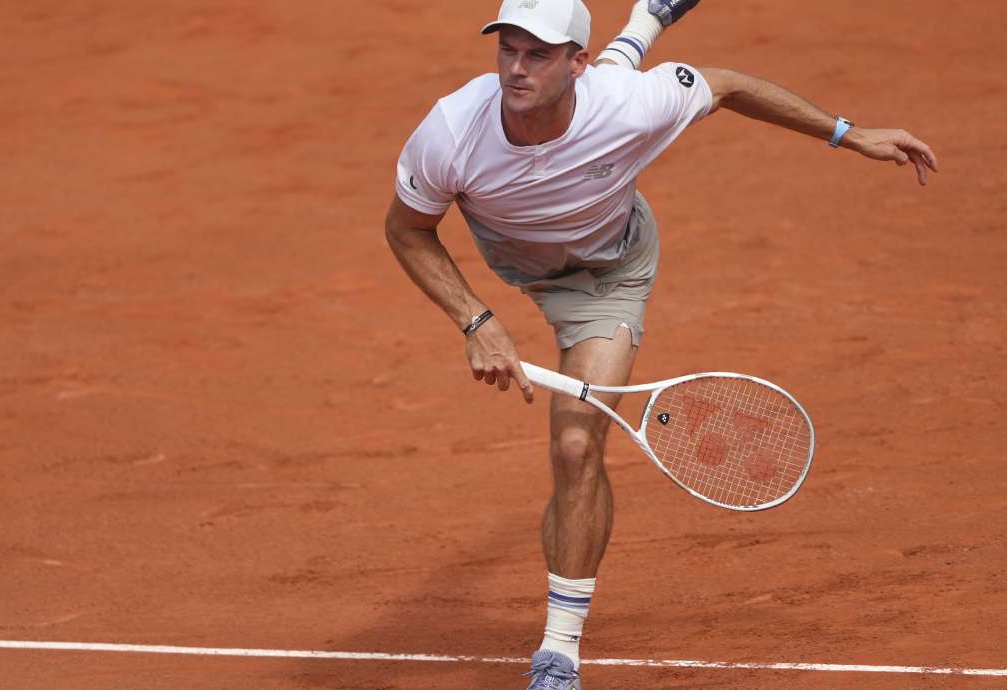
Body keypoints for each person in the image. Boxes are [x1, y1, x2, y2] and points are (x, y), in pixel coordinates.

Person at [384, 0, 938, 687]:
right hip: (521, 262)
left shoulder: (624, 105)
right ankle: (647, 18)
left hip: (608, 272)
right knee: (611, 90)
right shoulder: (452, 129)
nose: (516, 69)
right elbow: (407, 229)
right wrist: (474, 318)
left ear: (571, 62)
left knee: (576, 446)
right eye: (508, 50)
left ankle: (558, 655)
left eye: (538, 55)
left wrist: (849, 134)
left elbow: (729, 86)